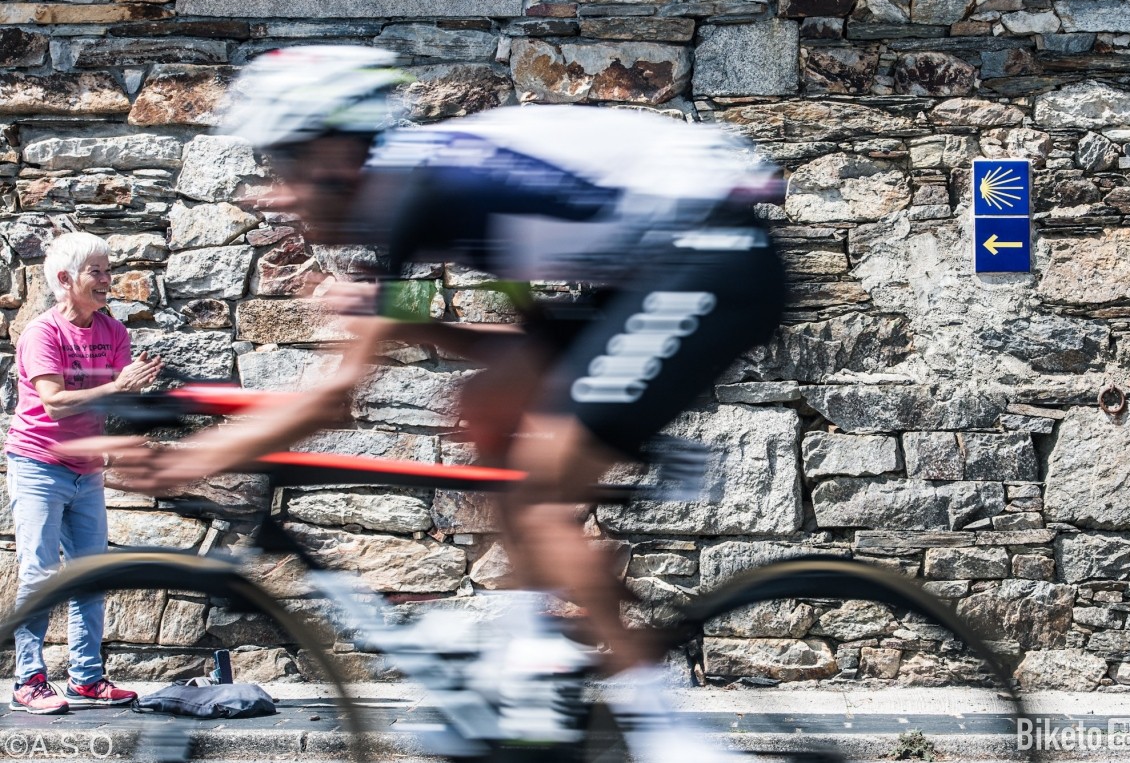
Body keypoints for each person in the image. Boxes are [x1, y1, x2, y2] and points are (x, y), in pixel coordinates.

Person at [72, 46, 787, 757]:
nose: (281, 194)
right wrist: (411, 325)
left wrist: (187, 460)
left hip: (711, 257)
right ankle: (534, 649)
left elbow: (332, 399)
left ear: (337, 153)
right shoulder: (438, 193)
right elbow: (522, 345)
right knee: (487, 407)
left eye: (287, 166)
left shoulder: (421, 194)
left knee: (542, 488)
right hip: (650, 263)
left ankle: (668, 732)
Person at [5, 232, 163, 714]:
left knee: (91, 573)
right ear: (64, 278)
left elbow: (119, 393)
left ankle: (87, 678)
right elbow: (53, 403)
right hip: (38, 464)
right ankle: (28, 680)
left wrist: (135, 392)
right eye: (97, 271)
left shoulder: (113, 332)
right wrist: (117, 385)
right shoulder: (42, 334)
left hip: (86, 470)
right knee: (40, 574)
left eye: (108, 270)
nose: (107, 280)